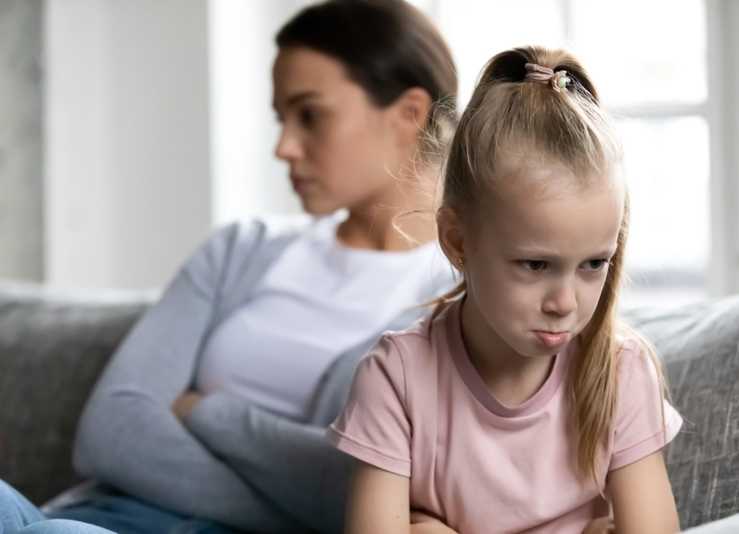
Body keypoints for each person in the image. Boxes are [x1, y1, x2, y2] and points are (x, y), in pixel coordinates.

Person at [0, 1, 458, 533]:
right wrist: (287, 496)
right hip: (85, 513)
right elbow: (110, 430)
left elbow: (342, 484)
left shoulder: (456, 303)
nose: (284, 147)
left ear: (409, 114)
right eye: (281, 119)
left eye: (309, 114)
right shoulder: (242, 248)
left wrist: (203, 412)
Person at [326, 45, 684, 534]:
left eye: (594, 263)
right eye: (535, 264)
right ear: (457, 242)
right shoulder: (397, 379)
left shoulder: (621, 373)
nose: (564, 303)